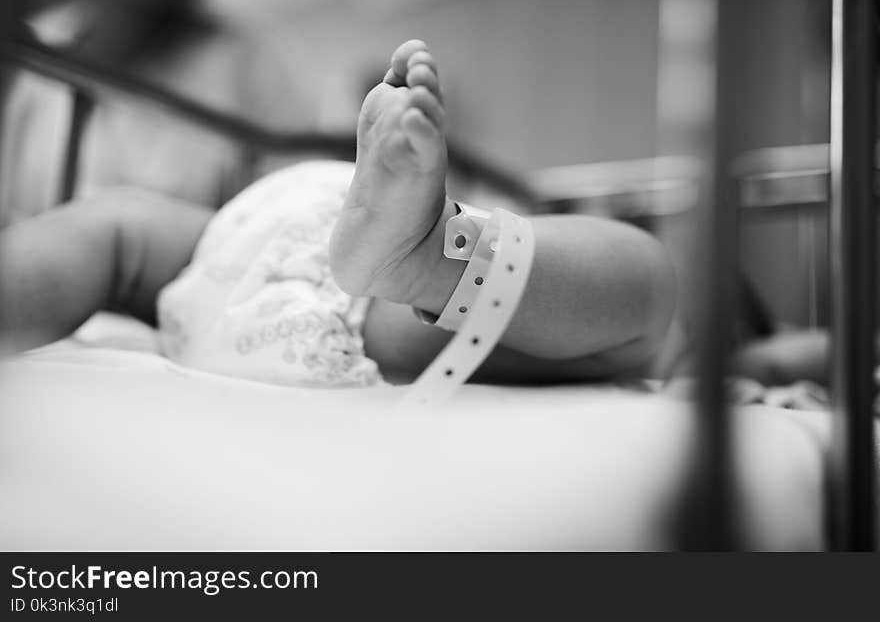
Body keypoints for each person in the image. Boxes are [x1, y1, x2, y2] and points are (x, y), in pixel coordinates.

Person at [0, 40, 676, 385]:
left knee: (116, 229)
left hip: (241, 240)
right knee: (650, 285)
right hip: (367, 289)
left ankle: (426, 250)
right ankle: (433, 255)